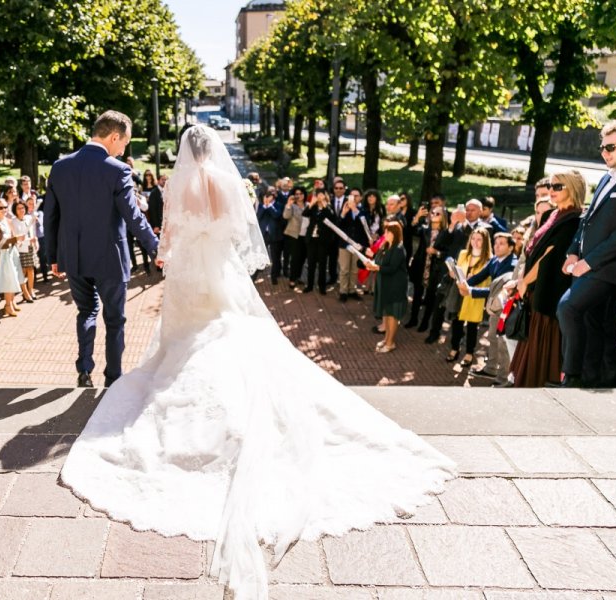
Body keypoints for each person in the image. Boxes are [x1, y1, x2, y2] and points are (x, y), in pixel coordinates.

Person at [59, 125, 455, 600]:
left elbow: (171, 230)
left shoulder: (176, 183)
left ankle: (160, 379)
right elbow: (237, 233)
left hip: (187, 269)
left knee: (183, 336)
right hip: (217, 268)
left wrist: (167, 253)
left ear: (187, 152)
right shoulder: (227, 183)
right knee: (229, 330)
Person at [44, 110, 159, 388]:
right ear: (114, 136)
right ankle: (113, 379)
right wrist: (156, 248)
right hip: (110, 257)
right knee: (115, 319)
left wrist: (53, 257)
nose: (123, 149)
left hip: (74, 256)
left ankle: (84, 370)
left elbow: (51, 216)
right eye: (124, 143)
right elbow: (134, 217)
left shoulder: (60, 167)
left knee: (86, 312)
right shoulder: (118, 170)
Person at [558, 119, 616, 387]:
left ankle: (572, 376)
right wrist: (572, 252)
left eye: (611, 147)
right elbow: (587, 220)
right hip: (587, 265)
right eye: (602, 147)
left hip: (611, 269)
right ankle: (597, 381)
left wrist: (589, 262)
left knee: (567, 308)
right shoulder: (605, 178)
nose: (605, 152)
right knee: (599, 327)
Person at [507, 171, 584, 387]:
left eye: (558, 186)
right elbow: (533, 251)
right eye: (550, 185)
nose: (551, 190)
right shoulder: (554, 214)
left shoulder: (573, 219)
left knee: (541, 357)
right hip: (535, 292)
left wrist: (524, 282)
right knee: (529, 350)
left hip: (548, 296)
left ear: (573, 189)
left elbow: (548, 257)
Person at [458, 232, 518, 382]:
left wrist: (470, 291)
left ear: (511, 248)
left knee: (502, 343)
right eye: (496, 243)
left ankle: (503, 376)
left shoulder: (511, 265)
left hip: (506, 308)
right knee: (492, 337)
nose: (497, 246)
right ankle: (490, 369)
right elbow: (481, 276)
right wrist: (465, 284)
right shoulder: (495, 260)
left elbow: (495, 290)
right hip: (495, 308)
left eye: (502, 243)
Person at [447, 227, 492, 366]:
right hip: (460, 294)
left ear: (485, 242)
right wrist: (453, 274)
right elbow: (458, 271)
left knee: (472, 326)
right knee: (456, 323)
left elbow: (488, 280)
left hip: (474, 295)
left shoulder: (489, 259)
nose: (475, 242)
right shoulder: (463, 254)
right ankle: (455, 348)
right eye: (473, 238)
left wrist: (473, 279)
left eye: (479, 239)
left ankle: (469, 353)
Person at [368, 221, 408, 352]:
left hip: (395, 287)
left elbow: (391, 268)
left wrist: (377, 267)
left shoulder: (398, 248)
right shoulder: (386, 245)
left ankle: (390, 343)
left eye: (387, 232)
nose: (384, 234)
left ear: (395, 234)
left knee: (392, 315)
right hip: (385, 284)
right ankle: (386, 340)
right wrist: (371, 263)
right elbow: (379, 261)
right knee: (387, 313)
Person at [0, 198, 22, 318]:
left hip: (11, 251)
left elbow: (12, 235)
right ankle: (7, 305)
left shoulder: (8, 220)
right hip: (3, 254)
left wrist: (16, 241)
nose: (4, 210)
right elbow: (0, 241)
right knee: (8, 280)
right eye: (0, 208)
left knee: (15, 278)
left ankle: (12, 301)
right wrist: (16, 239)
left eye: (5, 207)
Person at [303, 188, 336, 294]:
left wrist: (324, 204)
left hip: (323, 240)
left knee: (322, 264)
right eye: (318, 195)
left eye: (322, 195)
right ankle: (309, 285)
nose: (320, 197)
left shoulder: (328, 207)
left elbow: (331, 216)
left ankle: (322, 286)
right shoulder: (313, 207)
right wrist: (312, 203)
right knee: (311, 263)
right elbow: (305, 213)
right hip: (311, 239)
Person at [337, 187, 367, 301]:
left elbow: (365, 225)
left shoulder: (363, 210)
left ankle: (352, 290)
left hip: (358, 245)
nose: (354, 198)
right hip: (344, 244)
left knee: (355, 269)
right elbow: (338, 225)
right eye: (351, 195)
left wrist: (355, 210)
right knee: (344, 269)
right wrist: (343, 214)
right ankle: (343, 291)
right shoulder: (344, 208)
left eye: (356, 196)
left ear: (361, 197)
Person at [257, 188, 284, 284]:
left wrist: (269, 206)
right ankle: (256, 273)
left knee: (275, 257)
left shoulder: (279, 205)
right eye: (266, 196)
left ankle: (274, 276)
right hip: (264, 234)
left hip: (275, 235)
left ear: (273, 197)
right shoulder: (261, 206)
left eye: (269, 196)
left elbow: (276, 215)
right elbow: (258, 216)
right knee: (259, 254)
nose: (267, 198)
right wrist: (265, 205)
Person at [12, 200, 37, 302]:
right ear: (15, 210)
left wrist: (35, 242)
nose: (21, 210)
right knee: (22, 271)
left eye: (22, 208)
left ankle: (31, 290)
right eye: (18, 208)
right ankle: (25, 292)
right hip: (21, 249)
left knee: (31, 269)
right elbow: (16, 237)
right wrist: (27, 240)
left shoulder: (29, 218)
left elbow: (32, 231)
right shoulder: (13, 222)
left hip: (30, 247)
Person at [282, 186, 307, 289]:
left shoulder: (308, 205)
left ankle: (298, 276)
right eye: (297, 194)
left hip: (305, 236)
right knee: (295, 259)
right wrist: (288, 204)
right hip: (294, 236)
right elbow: (285, 216)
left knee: (302, 258)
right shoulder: (291, 206)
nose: (299, 196)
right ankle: (292, 279)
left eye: (301, 194)